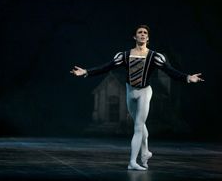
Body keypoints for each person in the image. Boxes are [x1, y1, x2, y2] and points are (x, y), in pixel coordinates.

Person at [70, 24, 204, 171]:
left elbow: (169, 71)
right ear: (135, 36)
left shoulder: (154, 56)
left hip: (145, 92)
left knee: (138, 127)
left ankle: (133, 161)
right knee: (139, 123)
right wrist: (86, 72)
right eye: (139, 32)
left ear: (148, 37)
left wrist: (187, 78)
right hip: (130, 91)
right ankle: (146, 152)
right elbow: (106, 67)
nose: (142, 34)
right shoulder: (125, 55)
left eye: (145, 32)